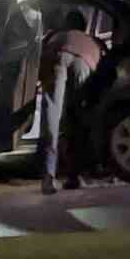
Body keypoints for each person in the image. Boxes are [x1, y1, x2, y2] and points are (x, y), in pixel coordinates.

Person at [38, 10, 101, 194]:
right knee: (77, 118)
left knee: (53, 118)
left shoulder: (58, 36)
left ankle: (48, 178)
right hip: (85, 61)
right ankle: (75, 176)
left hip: (59, 56)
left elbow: (42, 63)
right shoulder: (91, 41)